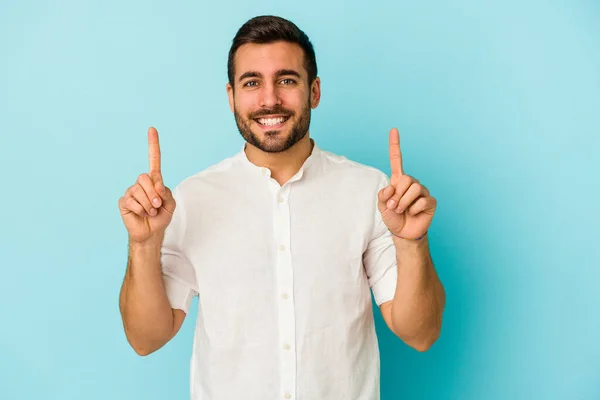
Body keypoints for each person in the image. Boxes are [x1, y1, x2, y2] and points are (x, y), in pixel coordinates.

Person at [118, 15, 445, 400]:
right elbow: (146, 339)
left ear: (315, 91)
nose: (269, 99)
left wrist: (412, 243)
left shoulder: (370, 192)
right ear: (231, 97)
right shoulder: (189, 200)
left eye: (287, 80)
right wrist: (143, 245)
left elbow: (420, 334)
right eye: (251, 82)